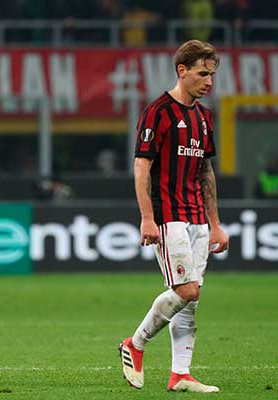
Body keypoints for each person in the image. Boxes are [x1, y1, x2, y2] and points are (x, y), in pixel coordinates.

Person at [119, 40, 229, 393]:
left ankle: (181, 374)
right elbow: (141, 167)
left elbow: (206, 172)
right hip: (169, 216)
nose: (209, 81)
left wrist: (215, 224)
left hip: (198, 218)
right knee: (186, 289)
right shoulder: (158, 112)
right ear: (182, 70)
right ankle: (135, 343)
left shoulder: (204, 117)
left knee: (191, 300)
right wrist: (146, 218)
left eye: (212, 75)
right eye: (203, 73)